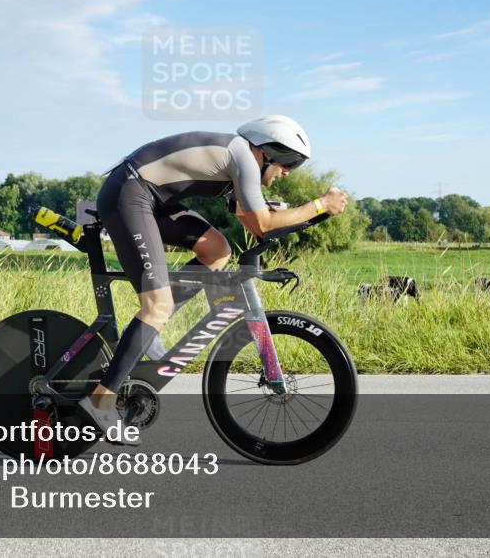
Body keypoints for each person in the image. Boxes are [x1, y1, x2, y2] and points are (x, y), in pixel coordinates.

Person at [78, 115, 348, 432]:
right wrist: (320, 205)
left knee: (217, 250)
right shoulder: (243, 157)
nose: (287, 171)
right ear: (268, 151)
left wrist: (313, 216)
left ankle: (148, 331)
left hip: (152, 199)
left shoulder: (240, 162)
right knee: (156, 305)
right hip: (130, 193)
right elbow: (262, 223)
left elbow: (253, 225)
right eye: (288, 162)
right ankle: (101, 399)